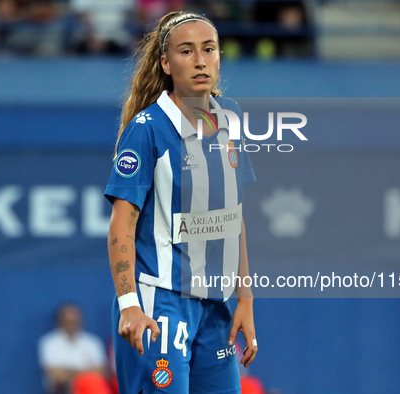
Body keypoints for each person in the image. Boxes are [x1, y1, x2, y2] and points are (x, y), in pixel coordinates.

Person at [104, 10, 257, 394]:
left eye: (209, 49)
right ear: (165, 62)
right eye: (186, 51)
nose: (201, 60)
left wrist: (245, 298)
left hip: (217, 308)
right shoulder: (147, 130)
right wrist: (129, 304)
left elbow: (232, 217)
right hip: (161, 304)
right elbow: (121, 227)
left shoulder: (231, 119)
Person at [38, 303, 111, 394]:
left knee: (92, 383)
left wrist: (70, 372)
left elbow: (101, 371)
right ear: (60, 321)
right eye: (67, 321)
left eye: (74, 321)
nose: (71, 324)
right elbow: (55, 374)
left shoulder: (92, 342)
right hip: (63, 388)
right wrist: (84, 374)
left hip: (91, 385)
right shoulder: (49, 342)